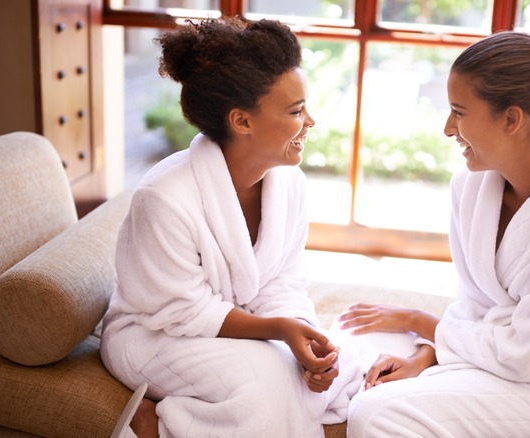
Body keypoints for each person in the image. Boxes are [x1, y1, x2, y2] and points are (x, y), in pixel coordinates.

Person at [338, 31, 530, 437]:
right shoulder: (472, 186)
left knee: (378, 414)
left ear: (512, 119)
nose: (448, 128)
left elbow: (528, 356)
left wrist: (421, 323)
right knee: (350, 357)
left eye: (459, 112)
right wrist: (427, 355)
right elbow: (475, 303)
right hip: (498, 353)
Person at [101, 17, 362, 438]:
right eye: (296, 111)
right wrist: (278, 330)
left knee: (336, 367)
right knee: (269, 386)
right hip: (154, 335)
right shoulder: (164, 198)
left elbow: (283, 280)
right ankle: (159, 424)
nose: (310, 121)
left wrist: (299, 334)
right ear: (242, 121)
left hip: (235, 323)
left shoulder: (289, 183)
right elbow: (182, 311)